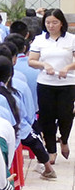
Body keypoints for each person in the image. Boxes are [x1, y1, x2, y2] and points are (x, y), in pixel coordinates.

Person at [27, 8, 75, 160]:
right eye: (48, 22)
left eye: (55, 22)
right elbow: (31, 61)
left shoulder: (71, 39)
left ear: (61, 23)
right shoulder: (40, 40)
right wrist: (43, 65)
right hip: (45, 83)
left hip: (67, 83)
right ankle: (51, 151)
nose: (51, 25)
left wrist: (67, 67)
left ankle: (65, 140)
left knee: (65, 116)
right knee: (47, 117)